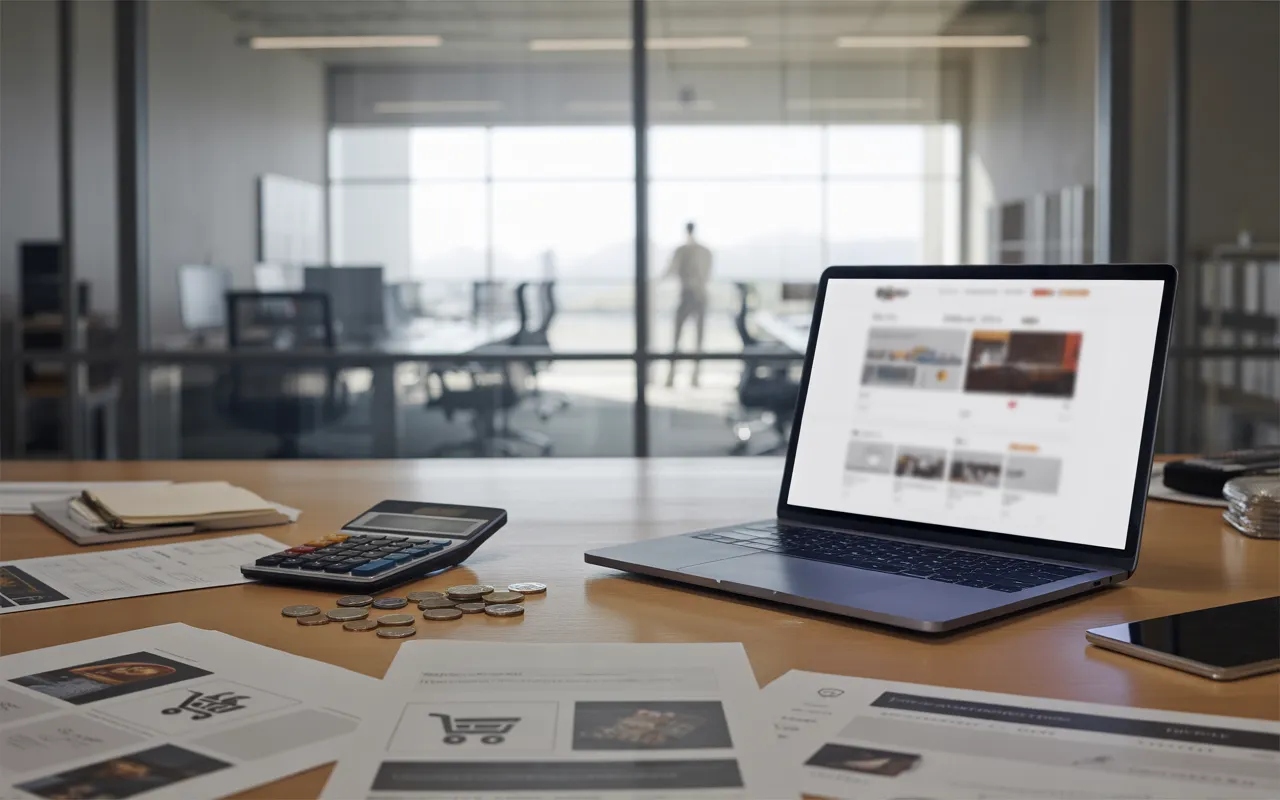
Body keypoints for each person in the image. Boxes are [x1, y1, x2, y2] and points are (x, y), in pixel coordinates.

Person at [663, 221, 713, 387]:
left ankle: (683, 376)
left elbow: (670, 271)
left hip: (692, 295)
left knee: (683, 338)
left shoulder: (685, 251)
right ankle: (688, 376)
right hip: (695, 296)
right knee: (689, 339)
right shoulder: (703, 251)